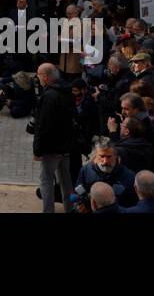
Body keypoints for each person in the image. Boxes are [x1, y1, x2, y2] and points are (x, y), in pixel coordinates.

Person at [32, 63, 75, 213]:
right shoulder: (67, 91)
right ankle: (71, 209)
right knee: (66, 181)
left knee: (46, 181)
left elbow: (44, 125)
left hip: (51, 147)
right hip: (65, 145)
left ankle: (48, 211)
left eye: (38, 75)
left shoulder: (49, 95)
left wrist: (37, 149)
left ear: (45, 76)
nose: (38, 78)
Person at [77, 142, 137, 209]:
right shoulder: (85, 171)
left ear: (115, 156)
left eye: (109, 157)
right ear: (95, 157)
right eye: (102, 156)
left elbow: (134, 203)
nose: (105, 161)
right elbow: (78, 193)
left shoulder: (129, 176)